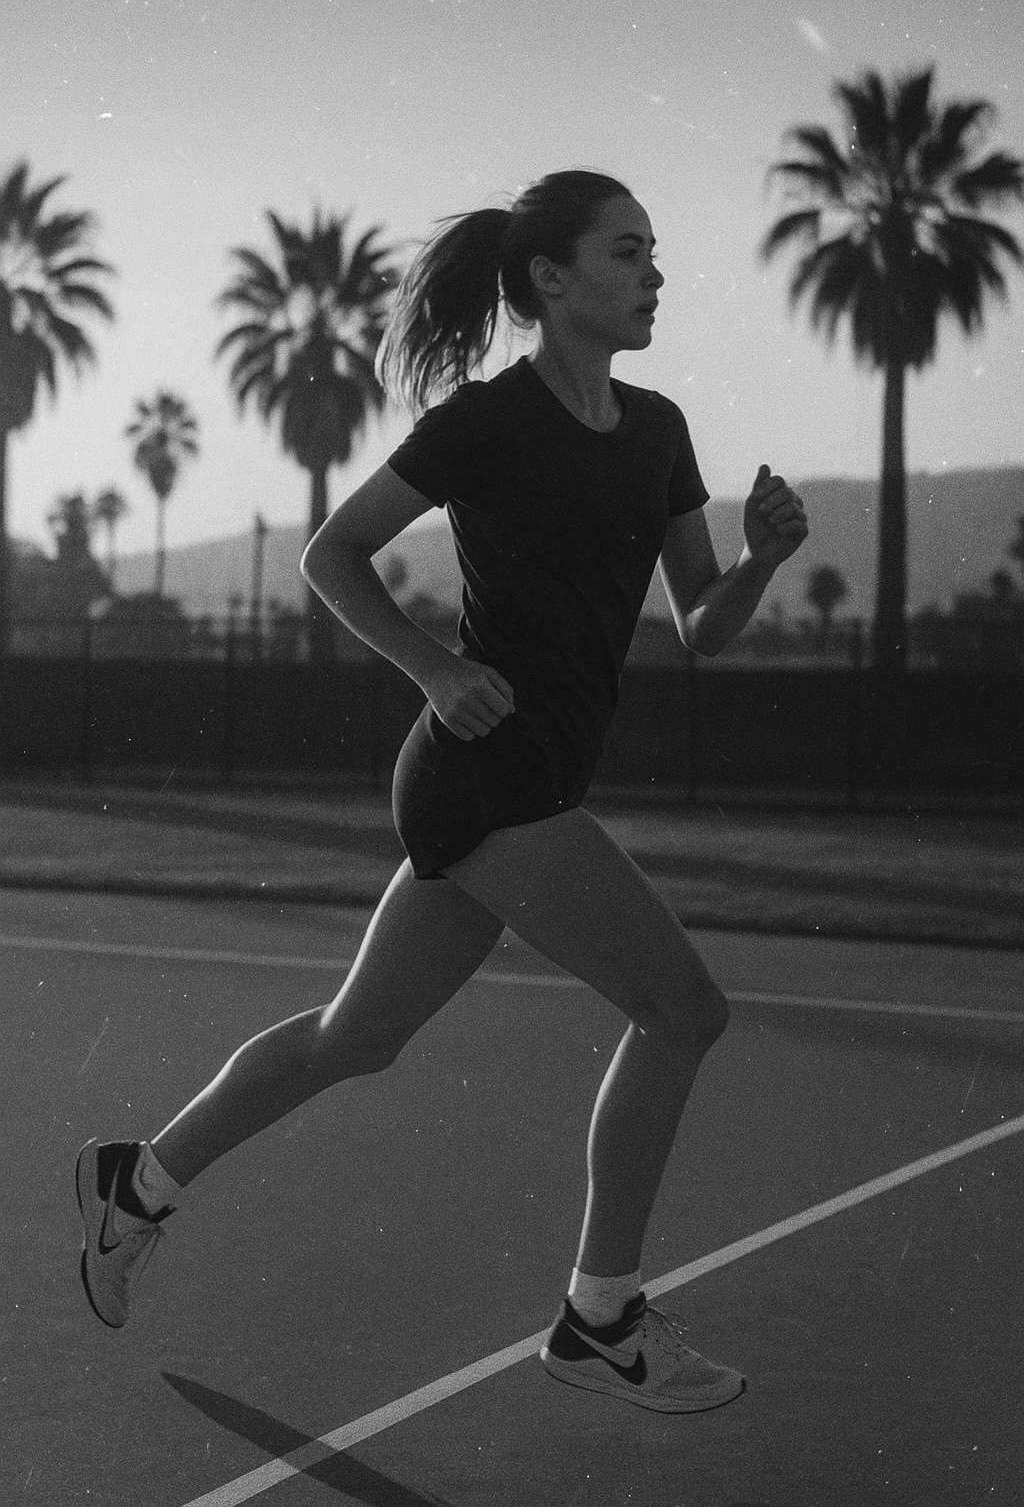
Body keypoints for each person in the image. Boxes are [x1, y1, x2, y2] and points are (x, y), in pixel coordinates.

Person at [76, 168, 808, 1413]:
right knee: (683, 1012)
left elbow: (700, 625)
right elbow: (332, 553)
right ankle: (600, 1318)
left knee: (354, 1039)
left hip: (528, 774)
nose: (654, 275)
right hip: (486, 770)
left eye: (652, 252)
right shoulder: (487, 420)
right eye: (627, 252)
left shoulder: (659, 430)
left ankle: (135, 1182)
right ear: (550, 279)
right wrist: (433, 666)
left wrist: (758, 560)